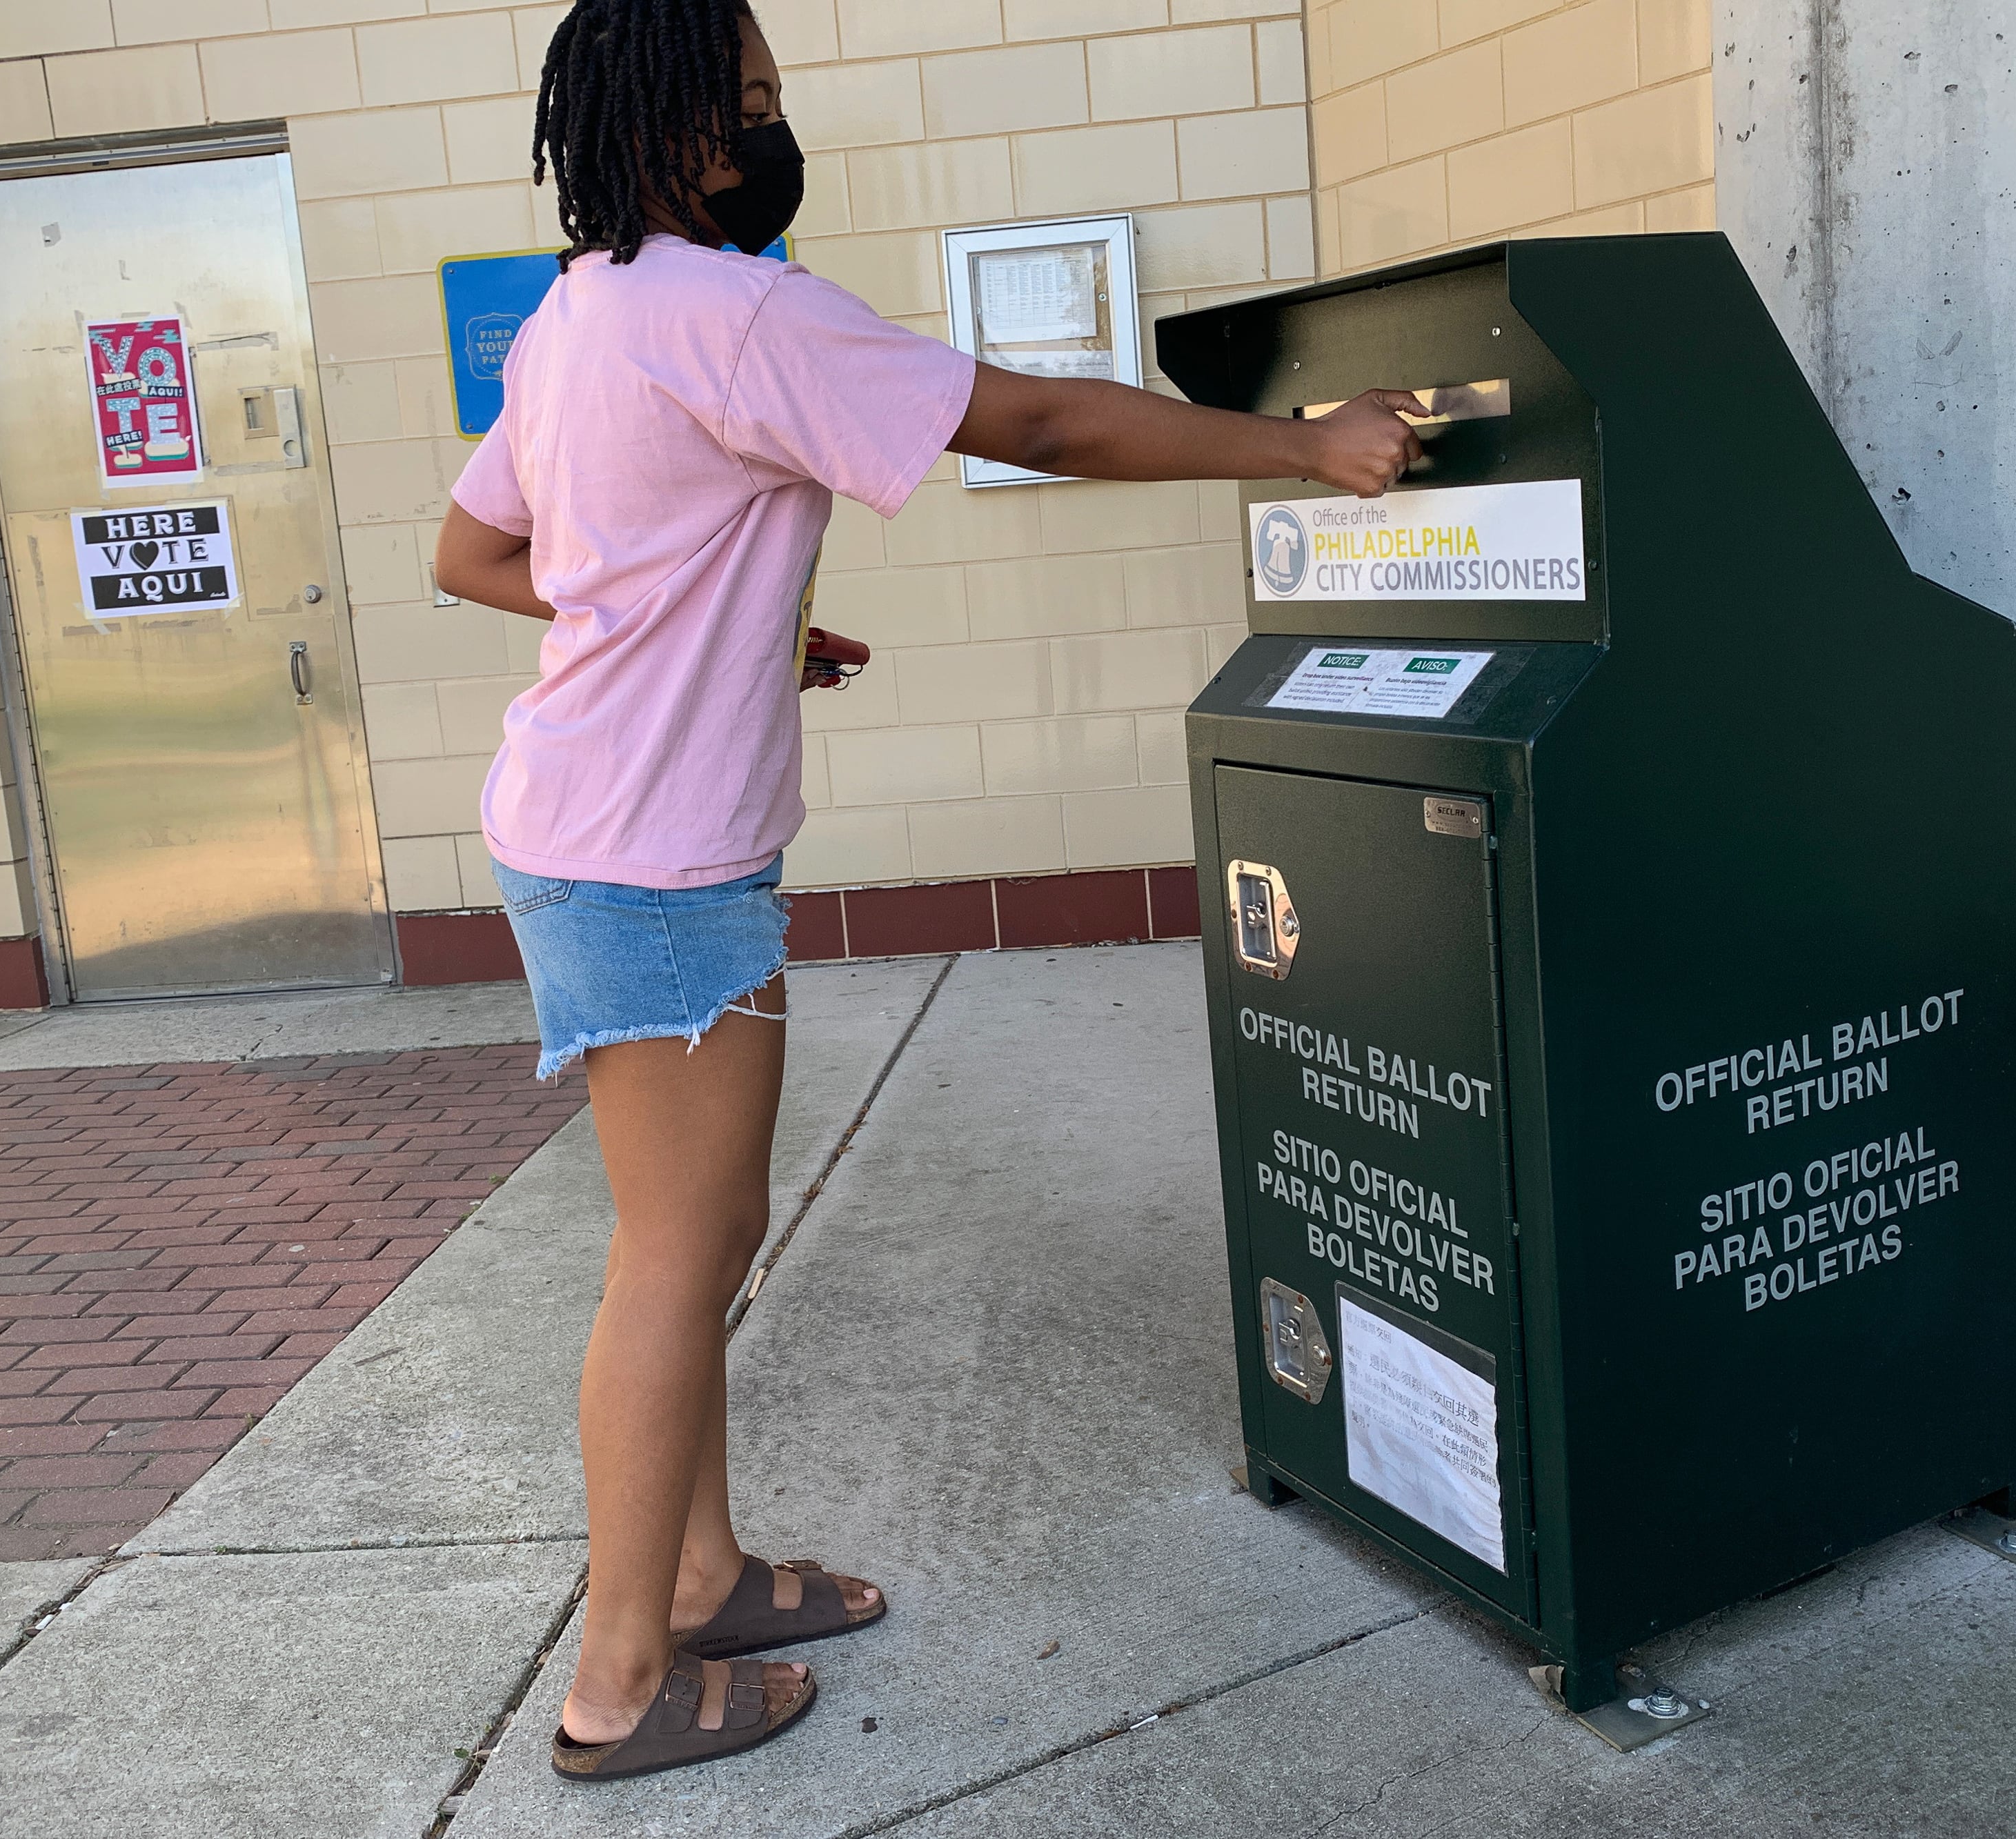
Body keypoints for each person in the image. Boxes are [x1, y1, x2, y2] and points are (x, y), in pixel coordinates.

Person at [433, 0, 1425, 1785]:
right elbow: (1041, 416)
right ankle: (619, 1675)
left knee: (706, 1233)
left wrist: (738, 625)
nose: (774, 132)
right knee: (674, 1254)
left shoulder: (586, 317)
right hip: (653, 864)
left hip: (596, 832)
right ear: (669, 128)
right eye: (749, 104)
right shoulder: (738, 312)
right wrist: (1308, 446)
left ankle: (711, 1573)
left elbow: (480, 547)